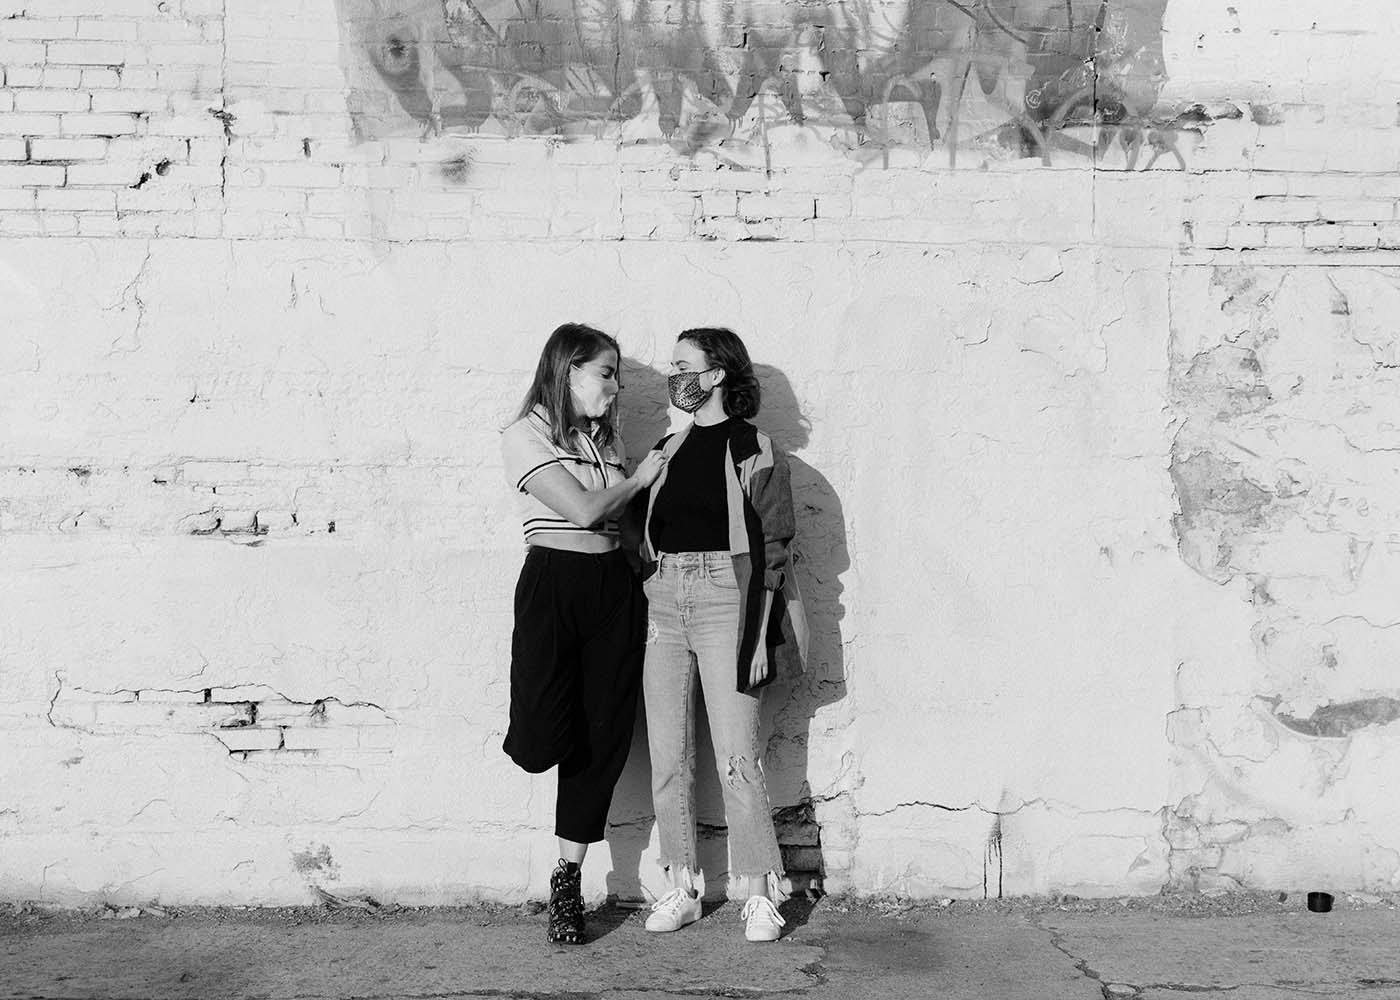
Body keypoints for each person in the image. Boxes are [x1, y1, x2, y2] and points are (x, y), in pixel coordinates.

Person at [635, 327, 808, 943]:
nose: (674, 375)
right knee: (668, 753)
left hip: (725, 599)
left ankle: (758, 893)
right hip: (665, 598)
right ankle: (681, 886)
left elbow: (776, 545)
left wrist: (759, 634)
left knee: (737, 757)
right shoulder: (668, 447)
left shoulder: (753, 446)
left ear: (717, 374)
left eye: (684, 364)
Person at [500, 322, 667, 945]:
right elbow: (584, 509)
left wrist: (645, 555)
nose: (616, 386)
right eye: (605, 373)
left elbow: (617, 524)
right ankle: (545, 752)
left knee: (602, 737)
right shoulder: (525, 435)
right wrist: (644, 475)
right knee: (544, 732)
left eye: (617, 373)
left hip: (611, 588)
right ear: (568, 370)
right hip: (554, 582)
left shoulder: (606, 442)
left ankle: (567, 881)